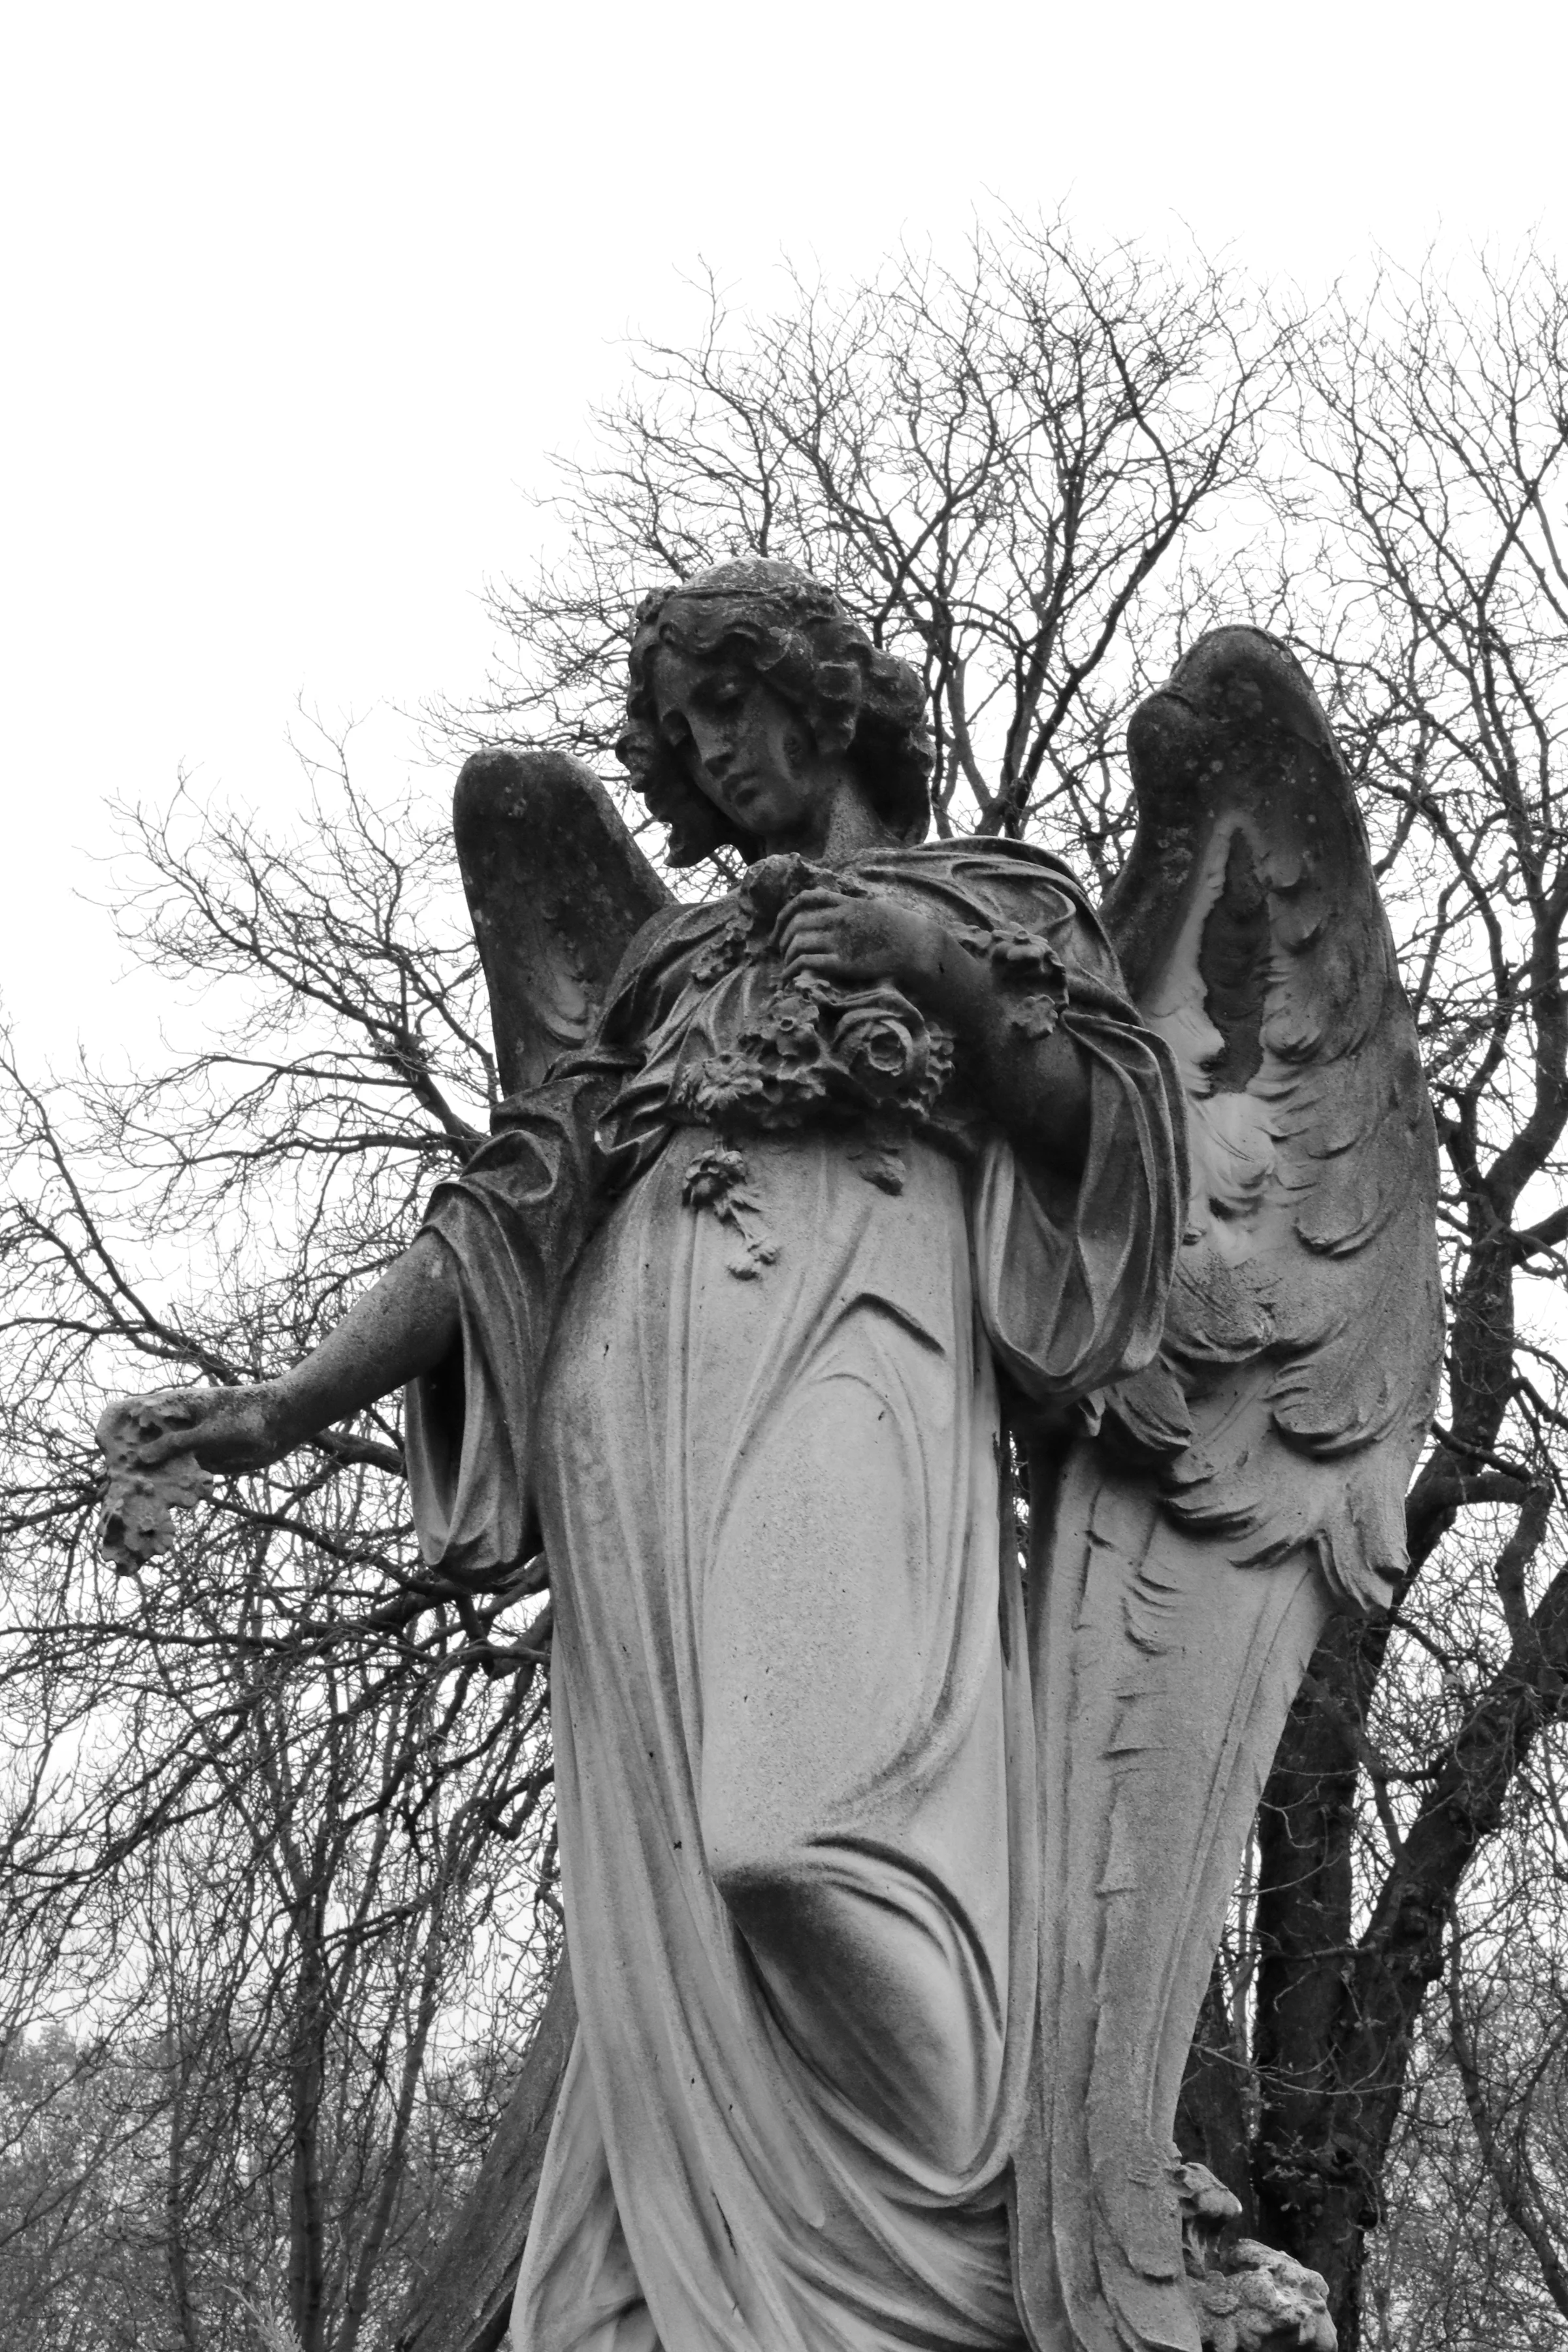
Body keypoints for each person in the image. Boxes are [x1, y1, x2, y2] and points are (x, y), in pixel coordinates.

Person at [103, 561, 1184, 2351]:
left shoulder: (1002, 899)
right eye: (682, 731)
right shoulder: (676, 962)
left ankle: (958, 2266)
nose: (710, 751)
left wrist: (938, 971)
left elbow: (1122, 1156)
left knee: (796, 1839)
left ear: (824, 697)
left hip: (864, 1338)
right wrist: (284, 1403)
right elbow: (519, 1200)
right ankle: (710, 2289)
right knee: (680, 1886)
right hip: (637, 1399)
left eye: (731, 704)